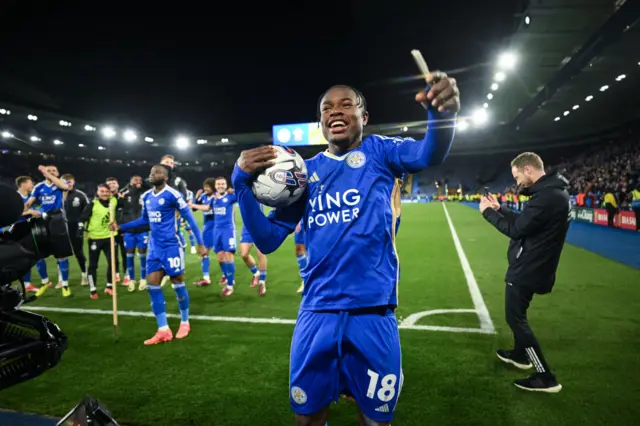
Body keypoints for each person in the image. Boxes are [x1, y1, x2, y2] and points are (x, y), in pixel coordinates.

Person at [232, 74, 459, 425]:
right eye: (327, 108)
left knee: (375, 420)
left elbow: (429, 152)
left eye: (346, 105)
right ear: (320, 122)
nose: (335, 112)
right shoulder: (304, 174)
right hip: (317, 310)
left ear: (363, 117)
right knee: (306, 418)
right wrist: (241, 185)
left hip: (373, 312)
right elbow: (267, 239)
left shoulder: (382, 152)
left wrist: (443, 116)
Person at [479, 152, 569, 393]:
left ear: (528, 169)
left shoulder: (547, 196)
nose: (516, 181)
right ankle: (520, 355)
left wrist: (488, 213)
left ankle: (544, 375)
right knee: (517, 315)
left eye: (517, 176)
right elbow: (529, 222)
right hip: (536, 265)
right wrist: (502, 208)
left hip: (528, 268)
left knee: (515, 319)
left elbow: (517, 230)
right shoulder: (552, 193)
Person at [112, 165, 206, 345]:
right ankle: (163, 329)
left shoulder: (173, 194)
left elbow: (190, 219)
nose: (152, 174)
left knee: (177, 282)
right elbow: (145, 221)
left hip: (172, 246)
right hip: (154, 247)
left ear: (165, 176)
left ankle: (185, 322)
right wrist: (121, 227)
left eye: (156, 172)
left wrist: (200, 244)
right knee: (152, 285)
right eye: (151, 172)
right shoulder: (146, 196)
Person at [26, 165, 72, 297]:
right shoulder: (39, 187)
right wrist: (25, 208)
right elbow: (30, 202)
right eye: (48, 170)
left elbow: (64, 188)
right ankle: (45, 282)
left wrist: (47, 173)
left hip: (58, 220)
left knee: (62, 254)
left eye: (53, 171)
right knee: (39, 253)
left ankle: (65, 284)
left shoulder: (61, 184)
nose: (50, 172)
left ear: (57, 173)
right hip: (42, 219)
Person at [80, 184, 118, 299]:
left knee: (113, 263)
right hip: (95, 238)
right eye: (102, 191)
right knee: (93, 265)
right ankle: (92, 289)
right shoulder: (93, 204)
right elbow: (82, 218)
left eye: (107, 191)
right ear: (97, 192)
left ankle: (109, 286)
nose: (105, 193)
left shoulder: (114, 201)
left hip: (110, 237)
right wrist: (82, 228)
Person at [16, 176, 49, 292]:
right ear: (23, 184)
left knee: (38, 254)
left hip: (31, 230)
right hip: (18, 231)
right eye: (30, 183)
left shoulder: (31, 197)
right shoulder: (15, 198)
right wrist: (29, 212)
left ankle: (44, 280)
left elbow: (41, 206)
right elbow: (11, 214)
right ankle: (27, 284)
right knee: (26, 257)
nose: (32, 185)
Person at [119, 175, 150, 291]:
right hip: (129, 229)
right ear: (130, 181)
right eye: (136, 180)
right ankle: (131, 279)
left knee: (142, 255)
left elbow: (150, 186)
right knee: (129, 255)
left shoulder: (145, 191)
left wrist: (141, 185)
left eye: (140, 180)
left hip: (142, 228)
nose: (139, 182)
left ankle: (143, 279)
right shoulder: (124, 192)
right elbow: (119, 208)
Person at [211, 177, 237, 296]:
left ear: (226, 185)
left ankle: (230, 285)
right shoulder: (214, 198)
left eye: (222, 184)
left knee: (228, 256)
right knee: (220, 257)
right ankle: (227, 277)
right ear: (215, 186)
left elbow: (241, 195)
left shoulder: (231, 196)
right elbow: (207, 207)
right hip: (217, 231)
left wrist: (235, 190)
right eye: (218, 184)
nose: (220, 185)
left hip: (228, 230)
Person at [62, 173, 90, 286]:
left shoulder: (80, 195)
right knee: (61, 253)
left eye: (70, 180)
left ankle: (84, 275)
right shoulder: (58, 195)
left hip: (75, 228)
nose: (68, 182)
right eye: (65, 180)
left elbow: (87, 211)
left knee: (78, 252)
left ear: (74, 182)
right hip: (61, 228)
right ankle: (61, 279)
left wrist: (83, 225)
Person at [190, 178, 217, 287]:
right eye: (204, 186)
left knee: (206, 252)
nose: (206, 189)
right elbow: (195, 210)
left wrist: (192, 205)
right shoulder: (204, 196)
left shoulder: (216, 196)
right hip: (207, 227)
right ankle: (207, 277)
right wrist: (196, 197)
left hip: (214, 226)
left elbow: (207, 208)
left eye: (208, 187)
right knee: (204, 252)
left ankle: (208, 278)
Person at [239, 203, 268, 295]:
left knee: (261, 253)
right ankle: (256, 273)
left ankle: (262, 282)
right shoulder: (244, 192)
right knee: (244, 254)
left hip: (260, 226)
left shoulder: (258, 191)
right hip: (247, 227)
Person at [106, 177, 128, 286]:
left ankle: (127, 275)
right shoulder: (104, 199)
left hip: (122, 230)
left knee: (125, 253)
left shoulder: (123, 197)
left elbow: (128, 213)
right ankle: (116, 273)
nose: (111, 185)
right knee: (112, 254)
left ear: (118, 185)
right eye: (109, 183)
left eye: (114, 183)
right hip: (110, 231)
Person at [293, 220, 306, 294]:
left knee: (310, 248)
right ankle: (305, 280)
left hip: (311, 217)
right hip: (300, 219)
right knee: (298, 248)